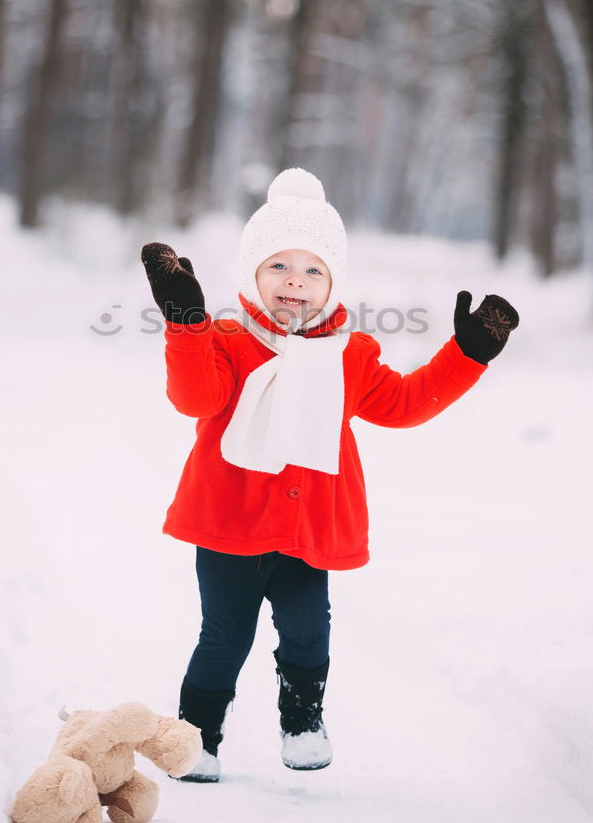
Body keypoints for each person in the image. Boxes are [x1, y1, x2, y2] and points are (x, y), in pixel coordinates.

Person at [141, 167, 519, 783]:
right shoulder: (229, 342)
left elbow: (402, 405)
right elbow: (196, 399)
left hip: (306, 532)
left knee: (309, 630)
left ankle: (302, 722)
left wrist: (465, 355)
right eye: (279, 267)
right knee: (223, 638)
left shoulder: (351, 354)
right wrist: (187, 324)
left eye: (314, 270)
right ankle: (195, 739)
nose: (296, 282)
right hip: (229, 530)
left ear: (333, 283)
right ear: (251, 276)